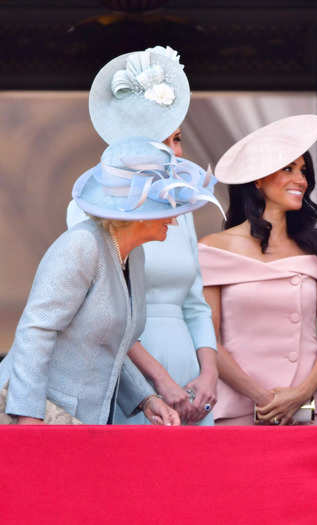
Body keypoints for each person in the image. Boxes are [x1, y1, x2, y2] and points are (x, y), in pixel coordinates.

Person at [0, 137, 218, 424]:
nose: (175, 220)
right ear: (136, 213)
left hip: (81, 421)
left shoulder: (134, 256)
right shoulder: (82, 245)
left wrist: (146, 398)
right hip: (38, 415)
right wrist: (29, 419)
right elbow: (36, 330)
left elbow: (112, 344)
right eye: (164, 209)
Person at [66, 47, 221, 425]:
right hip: (130, 380)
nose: (179, 152)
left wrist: (209, 373)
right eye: (170, 141)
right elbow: (102, 312)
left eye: (179, 139)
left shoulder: (178, 210)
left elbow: (196, 302)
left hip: (190, 378)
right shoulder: (89, 206)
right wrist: (158, 381)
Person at [199, 114, 317, 425]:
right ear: (258, 179)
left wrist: (299, 395)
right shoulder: (213, 249)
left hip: (305, 410)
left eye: (303, 171)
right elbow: (208, 338)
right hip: (238, 409)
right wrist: (263, 398)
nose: (301, 180)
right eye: (288, 169)